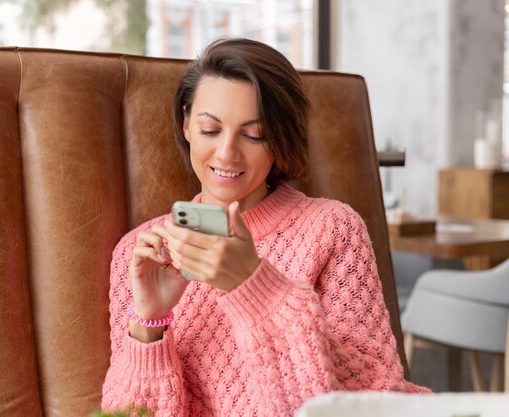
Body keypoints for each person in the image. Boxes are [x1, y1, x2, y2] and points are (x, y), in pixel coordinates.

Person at [102, 37, 428, 416]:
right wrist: (149, 322)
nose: (227, 153)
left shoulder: (332, 229)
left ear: (279, 138)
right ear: (186, 123)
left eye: (253, 134)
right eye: (210, 130)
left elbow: (378, 397)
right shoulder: (140, 254)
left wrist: (254, 286)